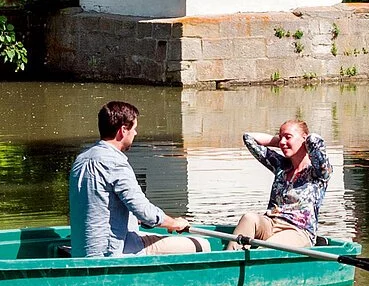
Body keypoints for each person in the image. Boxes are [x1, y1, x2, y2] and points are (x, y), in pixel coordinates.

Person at [68, 101, 201, 257]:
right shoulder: (115, 164)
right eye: (134, 128)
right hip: (111, 252)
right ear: (123, 130)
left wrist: (130, 216)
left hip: (82, 250)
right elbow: (144, 212)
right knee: (200, 245)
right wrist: (175, 223)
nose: (135, 133)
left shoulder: (81, 160)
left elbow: (98, 203)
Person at [233, 118, 331, 250]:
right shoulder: (281, 166)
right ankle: (228, 262)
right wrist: (280, 141)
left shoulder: (319, 172)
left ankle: (254, 264)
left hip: (297, 230)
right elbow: (249, 138)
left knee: (266, 248)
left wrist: (304, 142)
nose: (283, 142)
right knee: (249, 218)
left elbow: (314, 140)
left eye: (288, 137)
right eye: (281, 137)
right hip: (271, 223)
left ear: (304, 138)